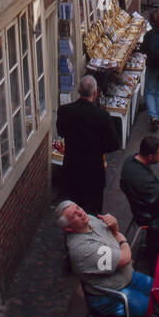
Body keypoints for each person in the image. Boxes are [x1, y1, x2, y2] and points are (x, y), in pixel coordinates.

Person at [57, 201, 152, 317]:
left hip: (128, 277)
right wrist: (123, 241)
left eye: (78, 208)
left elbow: (114, 233)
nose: (80, 213)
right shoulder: (84, 250)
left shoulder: (90, 219)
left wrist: (114, 226)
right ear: (68, 228)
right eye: (74, 215)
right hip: (109, 295)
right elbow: (125, 258)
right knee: (152, 308)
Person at [56, 75, 121, 215]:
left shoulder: (65, 111)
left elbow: (61, 132)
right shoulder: (102, 115)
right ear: (95, 92)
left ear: (78, 91)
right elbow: (114, 144)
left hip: (72, 168)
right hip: (94, 171)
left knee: (74, 209)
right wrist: (97, 148)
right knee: (94, 211)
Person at [119, 134, 159, 227]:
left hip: (139, 205)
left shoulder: (131, 158)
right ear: (150, 157)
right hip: (148, 216)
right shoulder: (145, 180)